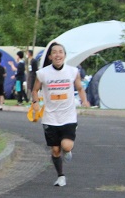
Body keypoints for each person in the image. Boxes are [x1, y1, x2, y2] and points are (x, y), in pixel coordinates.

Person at [30, 42, 90, 187]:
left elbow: (80, 87)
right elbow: (34, 90)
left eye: (60, 52)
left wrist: (84, 100)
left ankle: (68, 151)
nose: (58, 55)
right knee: (55, 150)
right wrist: (35, 103)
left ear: (64, 55)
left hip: (68, 115)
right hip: (50, 117)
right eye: (54, 52)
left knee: (67, 146)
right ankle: (60, 176)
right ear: (50, 56)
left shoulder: (72, 71)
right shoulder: (43, 73)